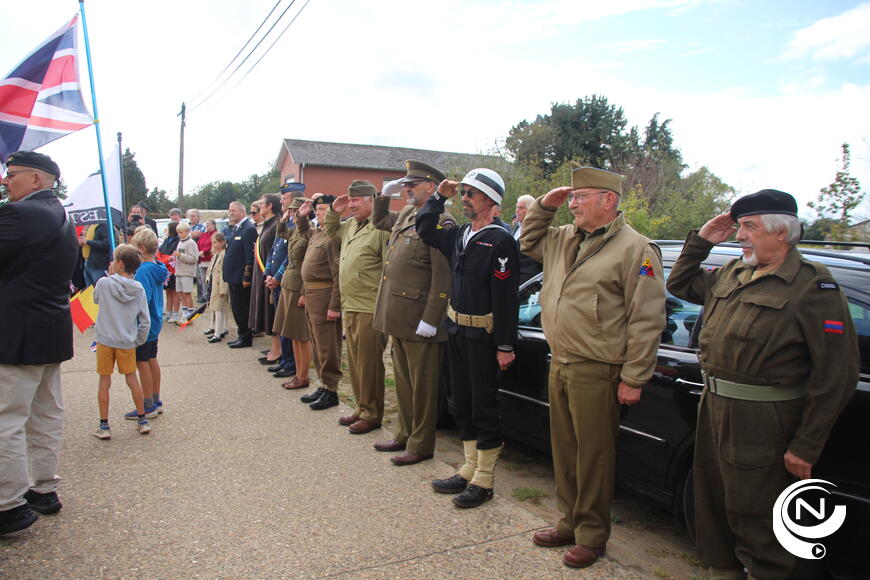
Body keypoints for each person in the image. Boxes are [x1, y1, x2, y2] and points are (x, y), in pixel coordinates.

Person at [666, 189, 859, 580]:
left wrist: (806, 444)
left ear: (781, 233)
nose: (739, 236)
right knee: (714, 510)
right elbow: (680, 283)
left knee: (759, 522)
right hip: (714, 409)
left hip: (764, 422)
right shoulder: (735, 273)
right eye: (739, 227)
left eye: (749, 228)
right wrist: (702, 241)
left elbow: (837, 373)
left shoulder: (812, 287)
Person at [519, 166, 666, 568]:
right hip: (561, 360)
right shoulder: (563, 237)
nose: (573, 203)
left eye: (581, 196)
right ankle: (568, 521)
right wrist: (544, 207)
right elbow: (527, 242)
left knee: (594, 456)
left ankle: (592, 535)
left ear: (608, 201)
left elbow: (647, 318)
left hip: (599, 367)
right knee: (564, 451)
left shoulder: (636, 249)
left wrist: (635, 376)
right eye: (572, 197)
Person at [416, 168, 520, 509]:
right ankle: (469, 468)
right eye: (462, 194)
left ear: (490, 201)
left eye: (469, 195)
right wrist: (437, 197)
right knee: (461, 401)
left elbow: (506, 298)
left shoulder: (501, 240)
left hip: (484, 337)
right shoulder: (460, 234)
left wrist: (505, 345)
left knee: (483, 405)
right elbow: (424, 229)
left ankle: (485, 479)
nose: (464, 200)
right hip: (457, 330)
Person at [0, 151, 77, 535]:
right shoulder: (61, 215)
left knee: (7, 419)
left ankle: (8, 503)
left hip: (18, 332)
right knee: (45, 415)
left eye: (11, 174)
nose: (4, 180)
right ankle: (44, 488)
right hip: (50, 329)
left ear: (35, 179)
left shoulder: (20, 215)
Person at [371, 160, 454, 466]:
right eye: (404, 185)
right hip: (398, 315)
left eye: (412, 185)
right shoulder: (407, 213)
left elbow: (442, 276)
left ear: (432, 188)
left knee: (423, 388)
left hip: (420, 318)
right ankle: (404, 433)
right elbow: (379, 221)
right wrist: (384, 194)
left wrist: (431, 319)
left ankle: (421, 444)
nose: (406, 189)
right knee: (404, 382)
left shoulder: (442, 222)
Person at [324, 180, 390, 432]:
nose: (350, 205)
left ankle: (372, 414)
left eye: (355, 201)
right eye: (349, 201)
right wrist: (334, 209)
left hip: (370, 306)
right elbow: (331, 230)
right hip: (351, 304)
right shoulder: (351, 224)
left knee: (369, 363)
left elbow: (388, 270)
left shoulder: (382, 228)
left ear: (371, 201)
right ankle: (361, 407)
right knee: (354, 361)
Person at [92, 244, 152, 439]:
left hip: (105, 339)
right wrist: (138, 340)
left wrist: (108, 277)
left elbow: (96, 300)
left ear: (119, 264)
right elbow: (145, 320)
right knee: (131, 377)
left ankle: (104, 424)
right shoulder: (139, 289)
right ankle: (142, 419)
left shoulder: (104, 283)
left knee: (104, 380)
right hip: (127, 340)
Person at [297, 195, 343, 411]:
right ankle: (323, 385)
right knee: (316, 343)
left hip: (325, 296)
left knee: (327, 346)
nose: (320, 213)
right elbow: (303, 232)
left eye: (324, 209)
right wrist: (302, 216)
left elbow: (337, 274)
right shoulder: (317, 233)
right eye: (319, 210)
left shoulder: (333, 237)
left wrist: (335, 305)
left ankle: (331, 389)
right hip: (312, 295)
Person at [123, 228, 168, 420]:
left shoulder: (142, 271)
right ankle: (155, 400)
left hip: (145, 323)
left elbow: (141, 299)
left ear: (141, 248)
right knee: (151, 359)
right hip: (155, 321)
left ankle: (148, 404)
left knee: (143, 363)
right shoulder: (157, 266)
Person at [273, 197, 313, 390]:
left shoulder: (309, 232)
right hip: (289, 285)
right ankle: (298, 373)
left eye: (296, 211)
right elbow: (280, 232)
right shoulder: (296, 232)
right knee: (292, 333)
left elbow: (309, 267)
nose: (293, 215)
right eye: (292, 212)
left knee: (300, 335)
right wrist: (284, 217)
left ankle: (303, 376)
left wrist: (305, 292)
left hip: (299, 287)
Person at [249, 194, 281, 359]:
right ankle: (274, 348)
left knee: (272, 313)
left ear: (270, 206)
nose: (258, 207)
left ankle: (278, 350)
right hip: (263, 273)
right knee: (267, 313)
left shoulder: (276, 224)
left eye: (262, 204)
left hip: (272, 275)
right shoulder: (267, 224)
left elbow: (278, 252)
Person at [224, 201, 257, 348]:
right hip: (233, 276)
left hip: (240, 278)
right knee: (236, 308)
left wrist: (247, 276)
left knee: (242, 308)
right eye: (230, 211)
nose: (231, 213)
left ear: (243, 212)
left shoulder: (248, 229)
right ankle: (241, 334)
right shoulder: (237, 229)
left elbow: (249, 256)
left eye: (234, 211)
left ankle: (245, 337)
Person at [204, 232, 230, 343]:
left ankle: (218, 333)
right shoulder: (216, 255)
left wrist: (224, 288)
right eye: (212, 242)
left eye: (215, 242)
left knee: (219, 308)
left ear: (222, 242)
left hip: (220, 285)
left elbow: (224, 273)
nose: (213, 245)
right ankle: (220, 328)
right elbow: (211, 269)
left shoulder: (224, 255)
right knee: (217, 308)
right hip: (213, 284)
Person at [512, 194, 542, 284]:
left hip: (528, 284)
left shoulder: (537, 230)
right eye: (516, 207)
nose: (517, 211)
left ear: (531, 210)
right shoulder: (516, 227)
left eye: (521, 208)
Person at [78, 222, 119, 287]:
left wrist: (87, 242)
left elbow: (107, 244)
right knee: (89, 291)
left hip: (98, 265)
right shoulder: (91, 225)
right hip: (87, 262)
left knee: (100, 288)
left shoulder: (104, 225)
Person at [174, 222, 199, 323]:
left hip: (187, 272)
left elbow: (194, 258)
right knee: (181, 294)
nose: (179, 234)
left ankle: (190, 316)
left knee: (187, 293)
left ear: (188, 232)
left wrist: (180, 256)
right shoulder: (180, 242)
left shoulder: (191, 243)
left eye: (181, 232)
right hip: (179, 271)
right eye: (178, 232)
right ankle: (185, 314)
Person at [157, 221, 180, 322]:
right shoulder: (166, 240)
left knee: (175, 292)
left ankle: (175, 313)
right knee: (168, 292)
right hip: (165, 270)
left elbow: (174, 256)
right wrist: (163, 260)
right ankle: (168, 311)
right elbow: (159, 252)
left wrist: (165, 260)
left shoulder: (179, 241)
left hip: (173, 270)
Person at [196, 219, 216, 304]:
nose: (206, 226)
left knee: (210, 279)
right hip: (202, 259)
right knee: (203, 279)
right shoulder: (203, 234)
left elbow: (212, 244)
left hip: (209, 259)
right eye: (206, 225)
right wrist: (199, 253)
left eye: (208, 225)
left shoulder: (215, 234)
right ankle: (205, 295)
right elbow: (199, 243)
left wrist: (204, 251)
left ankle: (211, 295)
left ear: (213, 225)